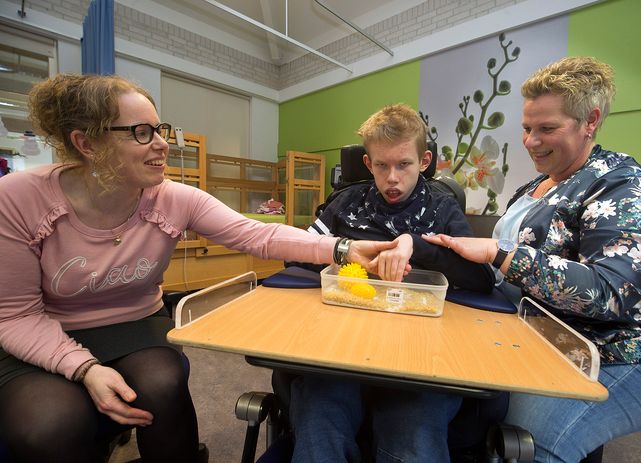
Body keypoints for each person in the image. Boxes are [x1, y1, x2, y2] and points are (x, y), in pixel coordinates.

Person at [0, 74, 400, 463]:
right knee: (49, 424)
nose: (162, 145)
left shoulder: (174, 197)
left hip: (133, 322)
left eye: (160, 130)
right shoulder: (18, 199)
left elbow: (257, 235)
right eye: (141, 133)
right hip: (45, 331)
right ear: (87, 143)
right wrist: (83, 368)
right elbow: (15, 315)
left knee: (163, 384)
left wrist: (343, 248)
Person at [423, 57, 641, 462]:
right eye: (527, 128)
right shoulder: (539, 185)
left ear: (590, 121)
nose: (532, 141)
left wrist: (500, 254)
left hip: (632, 349)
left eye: (547, 129)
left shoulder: (630, 187)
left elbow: (608, 293)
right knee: (454, 395)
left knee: (527, 441)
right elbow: (506, 272)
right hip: (546, 335)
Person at [287, 103, 496, 462]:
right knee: (319, 412)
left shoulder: (443, 210)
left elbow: (481, 280)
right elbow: (296, 255)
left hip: (423, 353)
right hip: (343, 347)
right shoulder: (345, 203)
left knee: (412, 426)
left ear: (425, 160)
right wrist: (344, 251)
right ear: (368, 164)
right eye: (381, 166)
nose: (392, 178)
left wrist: (418, 246)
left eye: (404, 164)